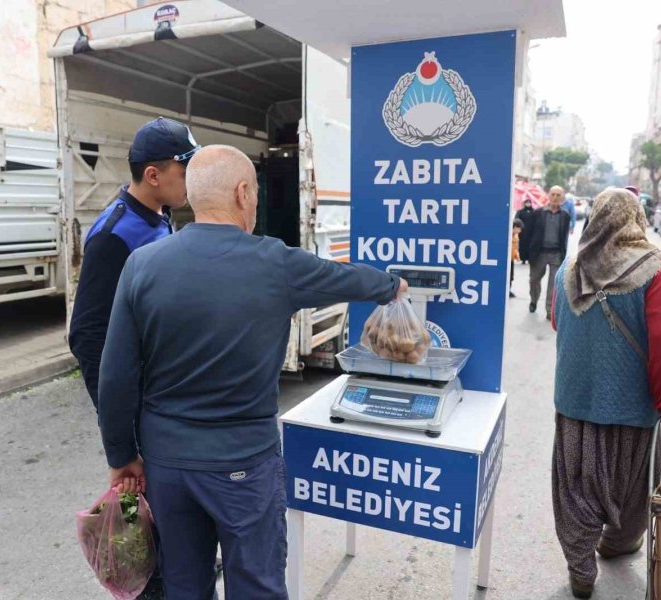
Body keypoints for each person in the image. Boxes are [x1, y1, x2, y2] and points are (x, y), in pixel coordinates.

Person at [97, 145, 408, 600]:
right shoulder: (275, 263)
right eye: (256, 193)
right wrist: (392, 285)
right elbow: (345, 278)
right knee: (256, 586)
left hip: (167, 465)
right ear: (243, 193)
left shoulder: (142, 265)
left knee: (183, 585)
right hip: (243, 464)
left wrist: (121, 455)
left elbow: (115, 376)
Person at [68, 116, 200, 600]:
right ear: (154, 175)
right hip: (140, 409)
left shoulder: (159, 217)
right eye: (184, 169)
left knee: (173, 518)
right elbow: (86, 336)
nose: (190, 179)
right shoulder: (114, 235)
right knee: (148, 527)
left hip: (165, 399)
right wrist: (121, 440)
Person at [549, 188, 661, 599]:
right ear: (637, 218)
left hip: (576, 402)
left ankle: (581, 569)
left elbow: (558, 323)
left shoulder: (568, 269)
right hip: (633, 410)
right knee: (632, 489)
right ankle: (616, 543)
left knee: (576, 488)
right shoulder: (653, 269)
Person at [527, 186, 571, 319]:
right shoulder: (538, 213)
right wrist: (527, 253)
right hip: (539, 253)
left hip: (556, 254)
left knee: (554, 285)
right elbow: (529, 233)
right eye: (553, 194)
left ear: (562, 198)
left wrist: (564, 254)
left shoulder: (565, 216)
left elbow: (565, 237)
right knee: (534, 280)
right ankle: (534, 300)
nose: (555, 197)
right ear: (548, 195)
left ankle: (549, 310)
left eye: (558, 195)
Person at [516, 198, 536, 263]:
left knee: (531, 246)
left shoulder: (534, 211)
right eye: (527, 203)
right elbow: (517, 220)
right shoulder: (520, 212)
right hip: (523, 232)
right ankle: (523, 259)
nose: (528, 204)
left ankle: (530, 258)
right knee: (522, 245)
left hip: (531, 232)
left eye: (529, 203)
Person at [510, 218, 523, 298]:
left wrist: (517, 255)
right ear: (514, 227)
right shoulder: (508, 236)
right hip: (507, 260)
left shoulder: (515, 236)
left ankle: (509, 289)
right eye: (519, 228)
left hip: (511, 259)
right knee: (508, 276)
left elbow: (515, 248)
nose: (520, 231)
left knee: (511, 276)